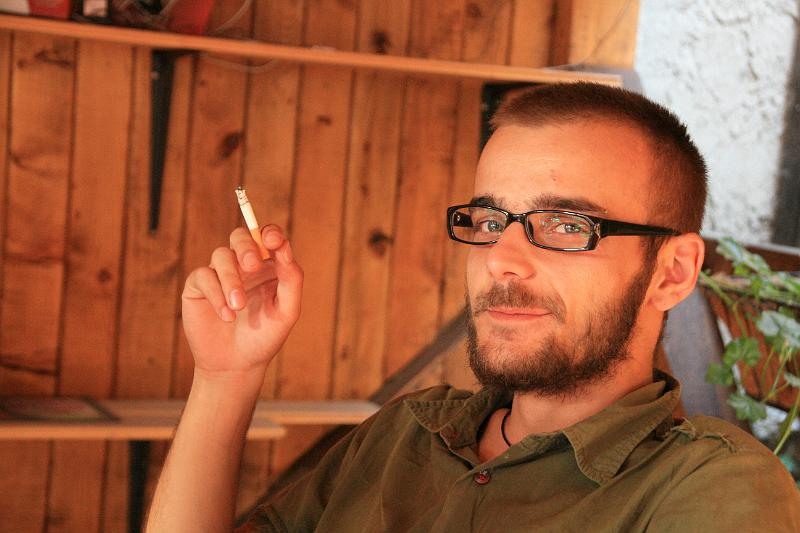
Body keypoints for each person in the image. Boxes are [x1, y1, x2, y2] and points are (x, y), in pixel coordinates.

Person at [146, 82, 800, 532]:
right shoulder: (404, 434)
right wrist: (226, 377)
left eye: (566, 224)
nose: (500, 259)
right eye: (488, 221)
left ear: (672, 271)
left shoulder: (712, 486)